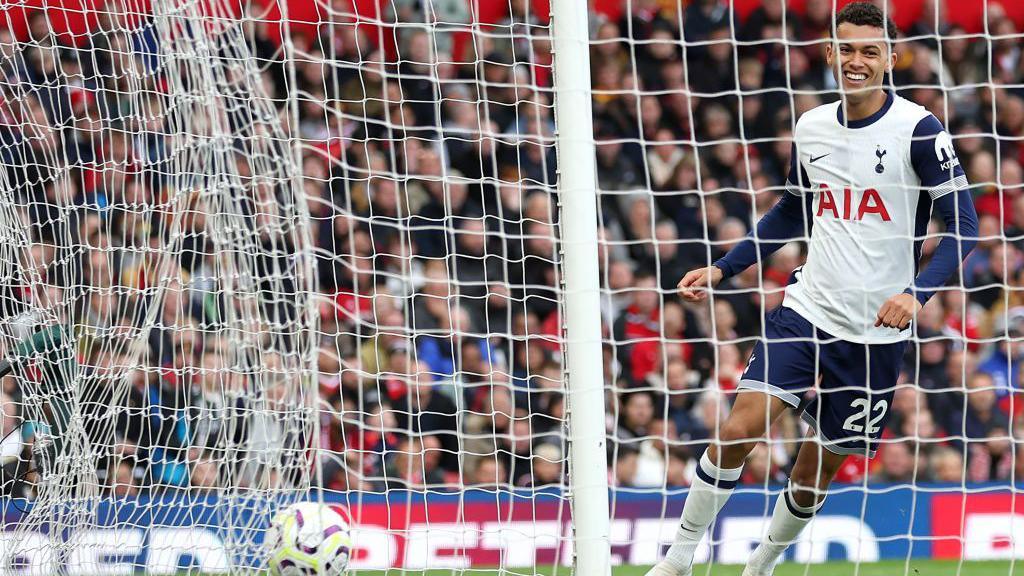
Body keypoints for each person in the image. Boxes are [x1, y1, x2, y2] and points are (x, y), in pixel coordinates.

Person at [646, 3, 979, 575]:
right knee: (739, 428)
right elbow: (793, 208)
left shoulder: (920, 130)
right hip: (807, 308)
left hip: (876, 333)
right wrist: (725, 267)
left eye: (870, 51)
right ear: (828, 53)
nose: (856, 61)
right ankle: (677, 560)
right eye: (846, 48)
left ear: (891, 59)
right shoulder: (812, 126)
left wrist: (917, 293)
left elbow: (964, 227)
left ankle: (762, 565)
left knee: (815, 468)